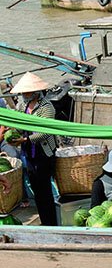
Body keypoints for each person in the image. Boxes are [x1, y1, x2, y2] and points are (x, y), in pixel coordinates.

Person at [10, 72, 58, 226]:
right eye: (23, 92)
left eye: (27, 92)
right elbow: (18, 121)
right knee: (37, 190)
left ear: (36, 92)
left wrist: (25, 139)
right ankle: (44, 221)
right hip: (28, 153)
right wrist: (13, 134)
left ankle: (50, 223)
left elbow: (45, 132)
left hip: (43, 153)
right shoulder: (22, 105)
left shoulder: (46, 107)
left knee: (45, 191)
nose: (24, 95)